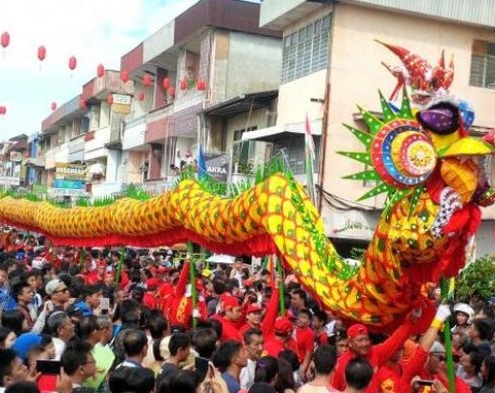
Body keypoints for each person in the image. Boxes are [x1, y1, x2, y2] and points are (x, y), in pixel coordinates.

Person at [331, 308, 424, 393]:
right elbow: (333, 390)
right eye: (360, 340)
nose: (364, 343)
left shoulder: (375, 353)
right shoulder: (340, 364)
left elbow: (396, 340)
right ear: (350, 343)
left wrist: (411, 320)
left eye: (366, 339)